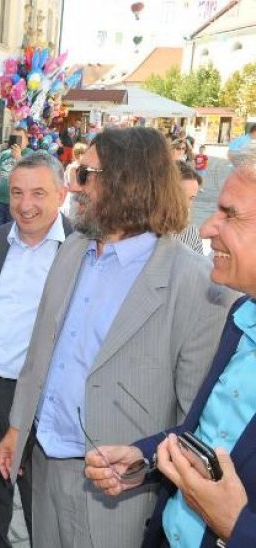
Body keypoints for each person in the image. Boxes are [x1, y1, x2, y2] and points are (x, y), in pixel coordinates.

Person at [0, 127, 234, 548]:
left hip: (121, 497)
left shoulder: (193, 283)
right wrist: (18, 427)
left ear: (128, 182)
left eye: (86, 174)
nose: (73, 185)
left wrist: (147, 470)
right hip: (46, 466)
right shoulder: (72, 250)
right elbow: (42, 350)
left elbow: (195, 419)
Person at [84, 140, 256, 548]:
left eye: (229, 214)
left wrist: (236, 524)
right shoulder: (242, 318)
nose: (208, 228)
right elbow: (209, 434)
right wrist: (143, 457)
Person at [0, 152, 73, 547]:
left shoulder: (80, 251)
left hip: (46, 401)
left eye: (39, 193)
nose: (25, 205)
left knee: (43, 505)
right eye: (18, 192)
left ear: (61, 194)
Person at [0, 127, 31, 229]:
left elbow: (30, 175)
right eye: (13, 137)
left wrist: (18, 158)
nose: (16, 140)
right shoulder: (4, 154)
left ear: (27, 141)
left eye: (20, 138)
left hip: (17, 204)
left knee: (10, 234)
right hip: (0, 201)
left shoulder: (30, 155)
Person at [175, 160, 205, 255]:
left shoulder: (191, 233)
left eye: (191, 198)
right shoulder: (138, 231)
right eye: (180, 197)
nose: (186, 205)